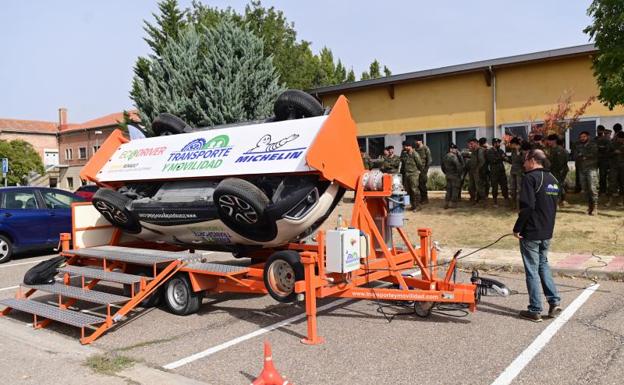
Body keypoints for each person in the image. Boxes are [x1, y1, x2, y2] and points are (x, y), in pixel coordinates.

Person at [513, 149, 562, 322]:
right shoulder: (553, 179)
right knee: (543, 264)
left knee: (532, 270)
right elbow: (552, 207)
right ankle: (554, 302)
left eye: (525, 160)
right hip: (547, 231)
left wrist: (517, 228)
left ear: (533, 160)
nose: (523, 163)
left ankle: (535, 309)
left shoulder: (530, 178)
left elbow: (527, 206)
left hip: (532, 232)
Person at [574, 131, 599, 215]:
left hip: (591, 169)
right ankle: (589, 207)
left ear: (588, 136)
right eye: (581, 137)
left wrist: (583, 155)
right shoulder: (578, 145)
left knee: (592, 188)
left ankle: (595, 207)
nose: (582, 138)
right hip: (582, 169)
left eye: (584, 137)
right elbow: (575, 155)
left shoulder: (593, 145)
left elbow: (594, 154)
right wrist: (582, 156)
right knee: (585, 189)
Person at [546, 134, 569, 207]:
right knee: (557, 186)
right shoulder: (552, 149)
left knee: (556, 186)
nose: (548, 142)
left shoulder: (559, 149)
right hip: (553, 171)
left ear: (554, 141)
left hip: (558, 171)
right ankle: (560, 201)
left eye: (549, 140)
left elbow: (560, 163)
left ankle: (556, 203)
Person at [400, 141, 424, 211]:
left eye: (406, 146)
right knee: (408, 191)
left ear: (410, 146)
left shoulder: (415, 154)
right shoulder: (405, 154)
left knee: (414, 190)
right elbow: (403, 164)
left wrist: (419, 172)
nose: (405, 147)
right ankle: (413, 205)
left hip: (413, 175)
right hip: (407, 174)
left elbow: (420, 165)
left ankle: (417, 206)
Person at [486, 138, 509, 207]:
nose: (499, 144)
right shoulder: (490, 151)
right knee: (494, 187)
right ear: (494, 143)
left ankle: (506, 200)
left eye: (499, 143)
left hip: (501, 171)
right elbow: (492, 160)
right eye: (497, 143)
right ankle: (495, 202)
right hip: (494, 172)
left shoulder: (501, 151)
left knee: (504, 186)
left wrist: (505, 158)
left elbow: (505, 157)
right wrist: (501, 158)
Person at [441, 143, 463, 209]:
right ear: (453, 149)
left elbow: (442, 167)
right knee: (455, 190)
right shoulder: (454, 157)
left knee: (448, 190)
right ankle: (453, 204)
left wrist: (446, 173)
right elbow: (459, 166)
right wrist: (459, 174)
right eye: (455, 149)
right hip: (455, 175)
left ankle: (446, 203)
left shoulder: (445, 156)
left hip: (448, 175)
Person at [466, 138, 486, 205]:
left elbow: (482, 161)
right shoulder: (473, 151)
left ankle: (482, 200)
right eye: (469, 144)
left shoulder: (479, 150)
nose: (470, 145)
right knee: (471, 186)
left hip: (477, 171)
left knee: (479, 186)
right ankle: (473, 199)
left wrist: (477, 169)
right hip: (472, 171)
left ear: (476, 143)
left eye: (472, 144)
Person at [607, 131, 624, 207]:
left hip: (623, 167)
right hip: (614, 167)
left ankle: (621, 201)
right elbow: (607, 154)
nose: (621, 140)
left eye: (622, 139)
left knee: (622, 184)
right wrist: (614, 152)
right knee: (612, 183)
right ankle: (610, 201)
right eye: (620, 139)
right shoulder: (612, 144)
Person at [506, 137, 524, 210]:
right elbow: (512, 161)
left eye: (511, 144)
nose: (510, 145)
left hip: (520, 171)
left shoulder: (522, 150)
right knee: (512, 188)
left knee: (520, 189)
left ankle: (519, 205)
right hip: (513, 171)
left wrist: (518, 153)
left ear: (515, 144)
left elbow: (523, 161)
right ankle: (513, 204)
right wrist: (507, 159)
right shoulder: (513, 150)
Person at [414, 140, 432, 204]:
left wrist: (425, 170)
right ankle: (420, 199)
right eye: (415, 141)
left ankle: (425, 199)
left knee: (422, 184)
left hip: (423, 169)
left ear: (421, 141)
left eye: (417, 141)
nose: (416, 142)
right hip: (416, 170)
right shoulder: (415, 149)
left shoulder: (425, 148)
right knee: (417, 184)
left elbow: (429, 160)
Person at [596, 125, 611, 195]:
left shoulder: (606, 139)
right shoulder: (595, 139)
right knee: (595, 175)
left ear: (602, 131)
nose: (597, 131)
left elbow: (608, 149)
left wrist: (600, 147)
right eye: (597, 130)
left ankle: (603, 190)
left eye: (599, 130)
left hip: (604, 160)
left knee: (603, 175)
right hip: (596, 159)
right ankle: (599, 189)